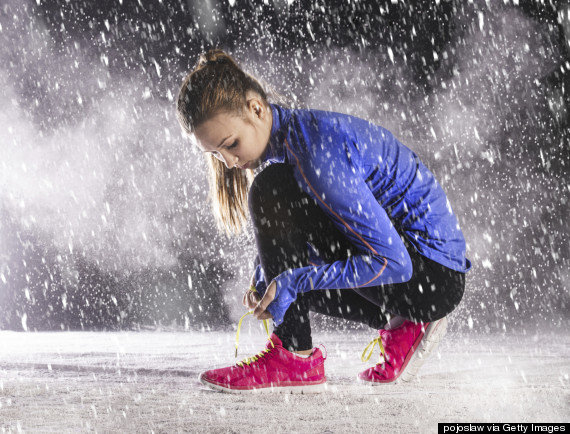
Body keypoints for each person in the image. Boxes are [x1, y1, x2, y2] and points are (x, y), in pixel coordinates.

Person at [176, 49, 471, 394]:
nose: (227, 162)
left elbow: (394, 263)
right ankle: (399, 323)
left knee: (271, 191)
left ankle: (295, 357)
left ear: (256, 109)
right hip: (425, 280)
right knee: (278, 270)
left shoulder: (315, 153)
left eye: (230, 145)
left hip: (431, 279)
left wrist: (294, 280)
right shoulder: (296, 145)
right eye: (215, 154)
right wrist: (271, 274)